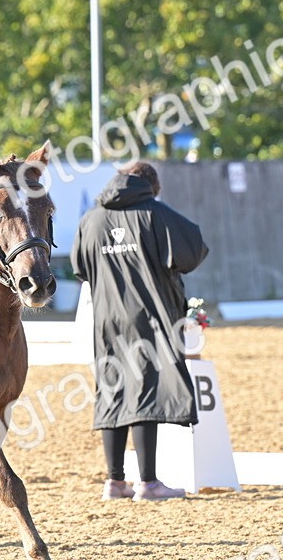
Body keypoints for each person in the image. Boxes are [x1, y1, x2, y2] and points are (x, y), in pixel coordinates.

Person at [70, 161, 208, 501]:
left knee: (113, 388)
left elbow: (79, 267)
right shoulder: (155, 214)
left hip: (106, 318)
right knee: (145, 388)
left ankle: (115, 482)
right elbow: (194, 249)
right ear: (150, 186)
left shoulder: (91, 219)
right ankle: (149, 482)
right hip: (148, 316)